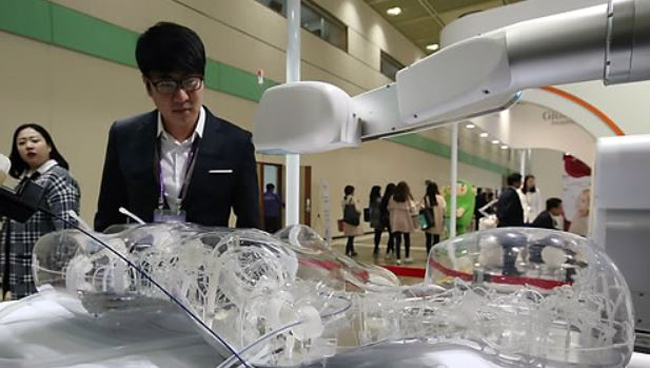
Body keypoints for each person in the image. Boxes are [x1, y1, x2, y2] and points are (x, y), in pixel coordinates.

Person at [94, 22, 259, 231]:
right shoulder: (124, 136)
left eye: (190, 82)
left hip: (209, 261)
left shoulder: (236, 143)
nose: (181, 97)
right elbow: (107, 219)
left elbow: (251, 228)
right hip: (142, 261)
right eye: (167, 84)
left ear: (203, 79)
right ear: (147, 85)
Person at [1, 123, 80, 300]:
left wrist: (59, 275)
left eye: (34, 140)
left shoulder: (57, 177)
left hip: (45, 277)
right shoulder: (26, 181)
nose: (28, 145)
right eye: (21, 143)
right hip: (21, 274)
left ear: (49, 146)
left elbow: (67, 230)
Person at [388, 181, 416, 265]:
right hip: (405, 220)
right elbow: (412, 208)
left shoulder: (392, 197)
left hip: (395, 220)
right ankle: (407, 256)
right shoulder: (407, 198)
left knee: (397, 240)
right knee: (407, 239)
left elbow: (389, 208)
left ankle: (398, 258)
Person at [423, 181, 446, 255]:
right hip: (438, 222)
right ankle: (435, 254)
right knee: (436, 239)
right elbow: (444, 209)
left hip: (428, 221)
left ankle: (428, 254)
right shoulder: (441, 198)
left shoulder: (426, 198)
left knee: (428, 239)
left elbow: (421, 208)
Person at [341, 185, 361, 257]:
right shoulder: (353, 199)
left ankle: (352, 250)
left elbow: (343, 209)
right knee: (351, 238)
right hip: (353, 220)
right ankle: (347, 251)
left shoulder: (344, 200)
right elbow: (358, 209)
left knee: (350, 236)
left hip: (347, 220)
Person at [380, 183, 396, 257]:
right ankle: (390, 249)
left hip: (386, 219)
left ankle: (391, 249)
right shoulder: (393, 198)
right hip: (392, 218)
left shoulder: (384, 198)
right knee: (392, 235)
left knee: (391, 235)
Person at [368, 185, 383, 255]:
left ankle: (376, 246)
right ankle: (376, 246)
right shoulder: (379, 199)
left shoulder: (371, 199)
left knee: (376, 233)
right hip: (379, 217)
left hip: (373, 218)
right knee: (378, 233)